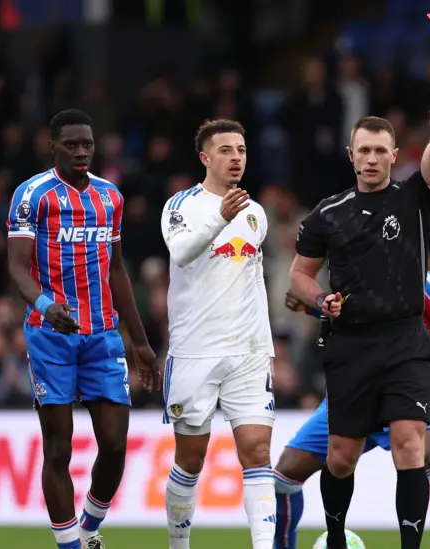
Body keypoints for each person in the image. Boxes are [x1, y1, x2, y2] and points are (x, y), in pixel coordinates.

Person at [288, 31, 430, 549]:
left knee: (410, 446)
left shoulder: (414, 199)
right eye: (364, 150)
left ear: (394, 154)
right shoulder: (326, 215)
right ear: (350, 153)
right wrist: (320, 300)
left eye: (382, 151)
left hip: (406, 340)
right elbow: (298, 277)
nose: (372, 159)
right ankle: (335, 539)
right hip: (350, 343)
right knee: (340, 455)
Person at [5, 109, 158, 549]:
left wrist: (141, 343)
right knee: (58, 449)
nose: (80, 152)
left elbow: (117, 272)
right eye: (71, 144)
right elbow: (16, 267)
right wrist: (44, 304)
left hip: (103, 335)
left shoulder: (110, 197)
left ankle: (90, 528)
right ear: (52, 146)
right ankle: (71, 544)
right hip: (50, 336)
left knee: (114, 445)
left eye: (87, 144)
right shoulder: (32, 196)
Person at [275, 272, 430, 549]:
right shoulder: (355, 272)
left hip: (404, 390)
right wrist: (313, 308)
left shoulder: (422, 282)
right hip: (353, 390)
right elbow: (350, 320)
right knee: (285, 476)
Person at [159, 119, 276, 549]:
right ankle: (178, 544)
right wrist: (219, 218)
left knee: (258, 452)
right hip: (194, 351)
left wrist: (265, 350)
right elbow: (182, 253)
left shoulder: (256, 213)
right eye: (226, 150)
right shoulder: (181, 205)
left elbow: (254, 281)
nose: (236, 158)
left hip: (246, 351)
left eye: (241, 150)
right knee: (190, 460)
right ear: (205, 158)